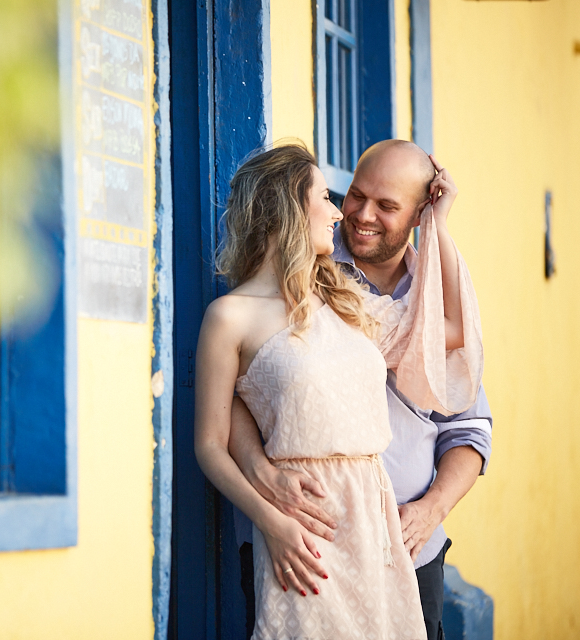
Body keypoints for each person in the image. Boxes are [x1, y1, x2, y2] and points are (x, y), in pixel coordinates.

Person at [193, 141, 483, 639]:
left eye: (386, 205)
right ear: (289, 208)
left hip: (380, 536)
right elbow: (213, 437)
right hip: (302, 535)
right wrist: (271, 520)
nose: (340, 212)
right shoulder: (229, 317)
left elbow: (453, 328)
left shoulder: (345, 303)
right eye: (328, 197)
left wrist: (439, 223)